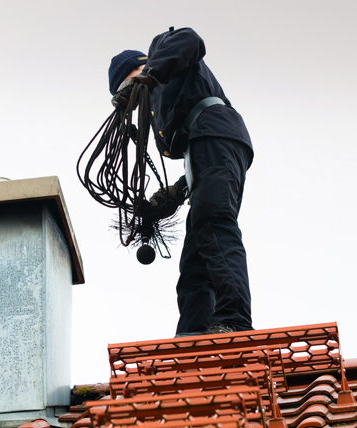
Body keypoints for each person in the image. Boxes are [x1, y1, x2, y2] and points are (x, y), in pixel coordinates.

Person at [108, 27, 254, 336]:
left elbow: (191, 39)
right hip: (207, 148)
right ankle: (191, 337)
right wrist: (176, 193)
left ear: (137, 70)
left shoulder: (162, 52)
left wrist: (149, 75)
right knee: (194, 261)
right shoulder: (162, 112)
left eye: (128, 86)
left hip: (216, 133)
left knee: (214, 225)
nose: (135, 99)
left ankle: (234, 320)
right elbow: (199, 155)